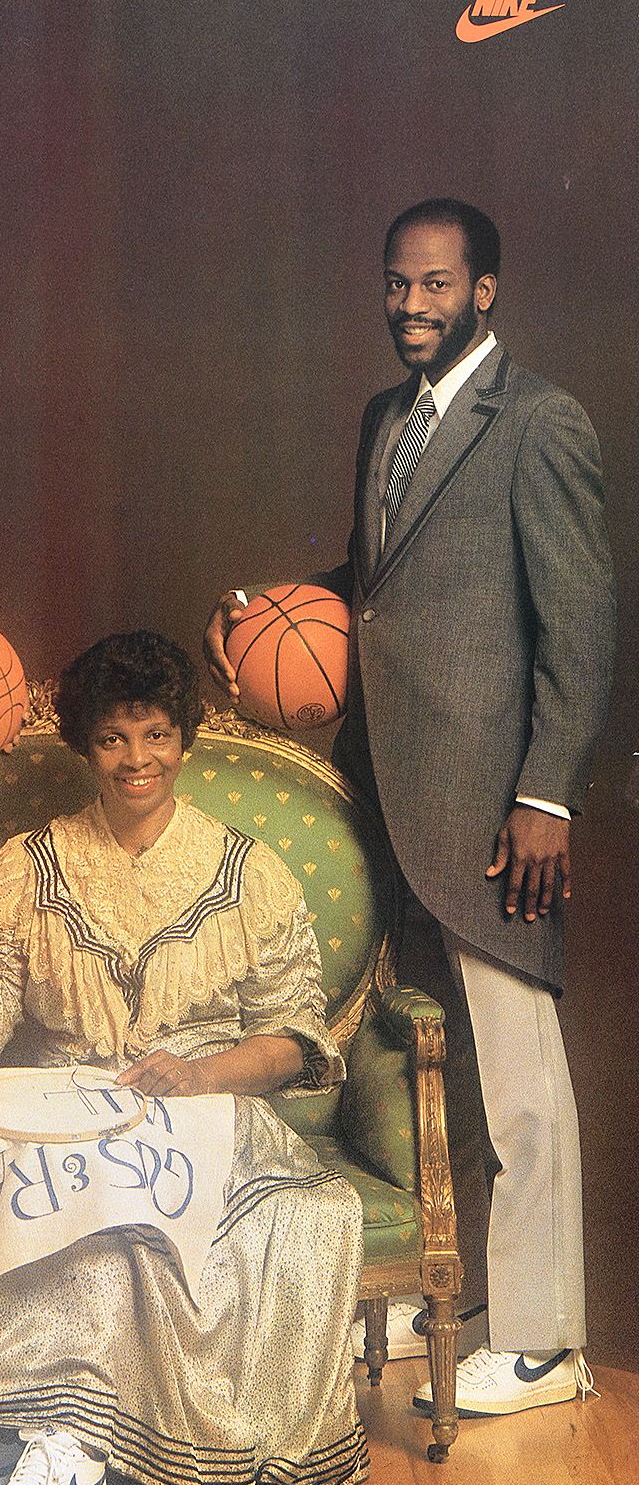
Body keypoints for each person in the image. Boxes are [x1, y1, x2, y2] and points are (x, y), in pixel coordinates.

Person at [204, 198, 615, 1418]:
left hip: (495, 806)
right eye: (398, 285)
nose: (413, 306)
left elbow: (581, 632)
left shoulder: (540, 421)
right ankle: (447, 1298)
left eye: (437, 285)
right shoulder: (387, 417)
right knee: (418, 1060)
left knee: (523, 1071)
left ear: (485, 291)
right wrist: (268, 607)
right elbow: (374, 587)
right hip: (387, 787)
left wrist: (547, 792)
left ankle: (546, 1338)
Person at [0, 632, 368, 1485]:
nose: (137, 759)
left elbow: (296, 1040)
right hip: (65, 1092)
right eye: (115, 738)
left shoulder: (248, 870)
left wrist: (197, 1075)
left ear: (185, 739)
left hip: (212, 1106)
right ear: (86, 743)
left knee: (115, 1193)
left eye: (156, 734)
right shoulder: (27, 863)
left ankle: (69, 1451)